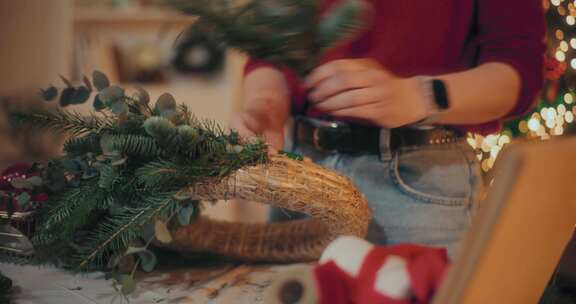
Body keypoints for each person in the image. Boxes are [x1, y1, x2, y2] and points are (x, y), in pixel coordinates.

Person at [231, 0, 545, 256]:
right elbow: (268, 46)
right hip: (302, 170)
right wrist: (265, 103)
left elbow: (517, 72)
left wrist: (419, 96)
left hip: (416, 185)